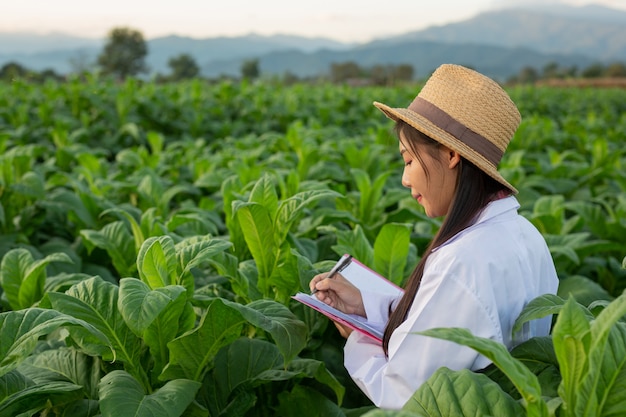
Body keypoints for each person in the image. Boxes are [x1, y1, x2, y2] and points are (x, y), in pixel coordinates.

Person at [309, 64, 559, 409]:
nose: (405, 179)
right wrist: (367, 306)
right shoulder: (527, 236)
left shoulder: (461, 261)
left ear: (451, 154)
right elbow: (456, 323)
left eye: (409, 159)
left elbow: (407, 395)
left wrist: (357, 337)